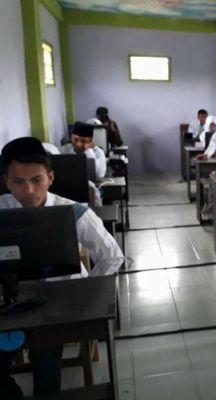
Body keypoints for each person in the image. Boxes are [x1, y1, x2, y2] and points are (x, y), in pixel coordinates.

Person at [0, 137, 124, 399]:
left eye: (37, 180)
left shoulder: (72, 212)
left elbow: (112, 256)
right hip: (9, 304)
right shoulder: (2, 211)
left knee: (46, 368)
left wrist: (83, 292)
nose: (29, 190)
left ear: (50, 178)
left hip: (56, 309)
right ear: (6, 181)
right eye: (18, 182)